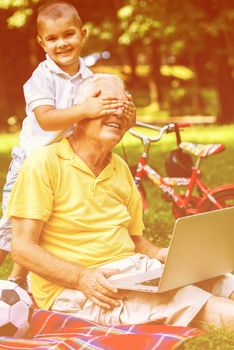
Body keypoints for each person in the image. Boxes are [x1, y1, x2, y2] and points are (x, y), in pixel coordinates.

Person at [7, 73, 234, 330]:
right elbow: (22, 248)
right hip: (81, 289)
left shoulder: (120, 168)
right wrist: (82, 277)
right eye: (107, 104)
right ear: (80, 113)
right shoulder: (44, 163)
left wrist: (162, 255)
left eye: (123, 106)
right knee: (194, 302)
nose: (117, 113)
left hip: (134, 271)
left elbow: (135, 241)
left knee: (223, 282)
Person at [0, 0, 135, 287]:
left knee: (46, 222)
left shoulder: (90, 78)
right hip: (31, 160)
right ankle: (10, 279)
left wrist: (126, 115)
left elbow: (104, 117)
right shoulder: (42, 77)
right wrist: (87, 109)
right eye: (52, 38)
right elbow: (47, 120)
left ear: (83, 35)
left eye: (68, 34)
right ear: (42, 43)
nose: (61, 43)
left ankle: (18, 281)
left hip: (66, 161)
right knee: (12, 226)